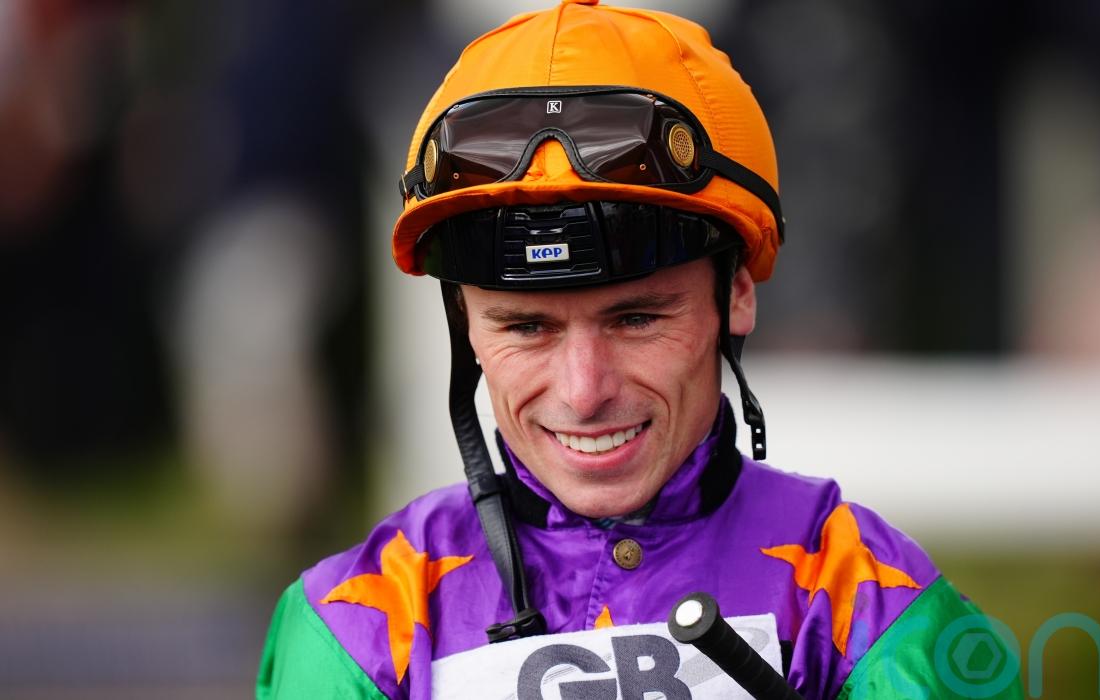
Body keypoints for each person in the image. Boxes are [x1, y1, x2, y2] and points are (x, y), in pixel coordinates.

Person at [257, 1, 1023, 698]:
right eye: (526, 327)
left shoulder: (876, 603)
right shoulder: (352, 627)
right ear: (464, 322)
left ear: (737, 295)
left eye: (635, 320)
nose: (584, 391)